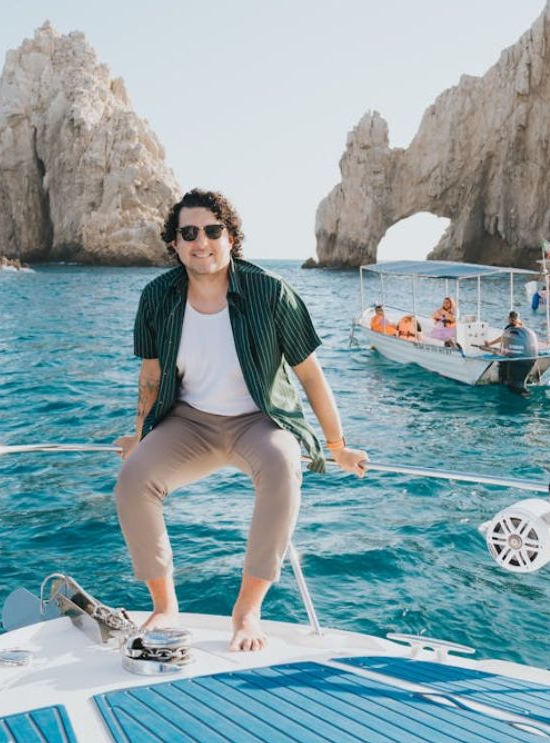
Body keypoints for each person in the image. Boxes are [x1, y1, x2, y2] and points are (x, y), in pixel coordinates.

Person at [114, 189, 369, 653]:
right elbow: (151, 376)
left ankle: (248, 610)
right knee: (133, 480)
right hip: (188, 421)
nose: (201, 241)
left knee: (281, 468)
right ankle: (164, 605)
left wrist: (337, 446)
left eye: (213, 230)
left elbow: (309, 375)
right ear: (174, 243)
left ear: (231, 237)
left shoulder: (270, 292)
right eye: (188, 233)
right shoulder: (157, 297)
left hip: (260, 418)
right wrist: (141, 433)